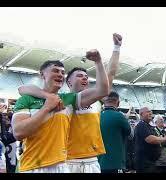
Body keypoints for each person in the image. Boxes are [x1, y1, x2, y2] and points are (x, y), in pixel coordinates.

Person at [17, 34, 122, 173]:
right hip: (67, 159)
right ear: (69, 81)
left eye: (86, 77)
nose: (85, 78)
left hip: (90, 159)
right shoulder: (65, 99)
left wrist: (116, 48)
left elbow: (108, 79)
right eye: (79, 76)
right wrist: (48, 98)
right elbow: (22, 89)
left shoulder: (92, 99)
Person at [98, 91, 132, 173]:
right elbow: (130, 134)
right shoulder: (119, 116)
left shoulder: (97, 115)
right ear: (118, 103)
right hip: (115, 163)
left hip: (98, 162)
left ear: (104, 102)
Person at [134, 107, 166, 173]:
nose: (150, 113)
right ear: (141, 114)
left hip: (152, 162)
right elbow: (150, 139)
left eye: (151, 111)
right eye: (148, 111)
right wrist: (165, 138)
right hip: (145, 163)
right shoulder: (141, 125)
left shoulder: (148, 126)